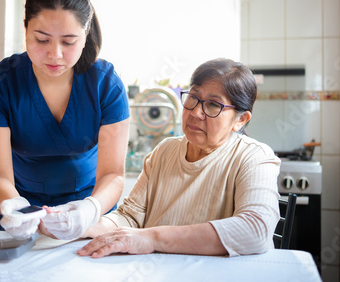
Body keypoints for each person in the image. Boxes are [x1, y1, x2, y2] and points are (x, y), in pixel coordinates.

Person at [71, 58, 280, 258]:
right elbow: (130, 217)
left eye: (214, 105)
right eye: (193, 97)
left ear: (240, 119)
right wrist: (82, 225)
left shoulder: (254, 158)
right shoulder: (165, 151)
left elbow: (255, 230)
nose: (196, 112)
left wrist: (152, 238)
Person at [0, 0, 130, 240]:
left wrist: (90, 209)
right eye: (42, 39)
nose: (55, 54)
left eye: (69, 41)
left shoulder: (106, 84)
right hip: (23, 214)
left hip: (90, 217)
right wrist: (16, 208)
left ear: (85, 34)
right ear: (25, 29)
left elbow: (113, 175)